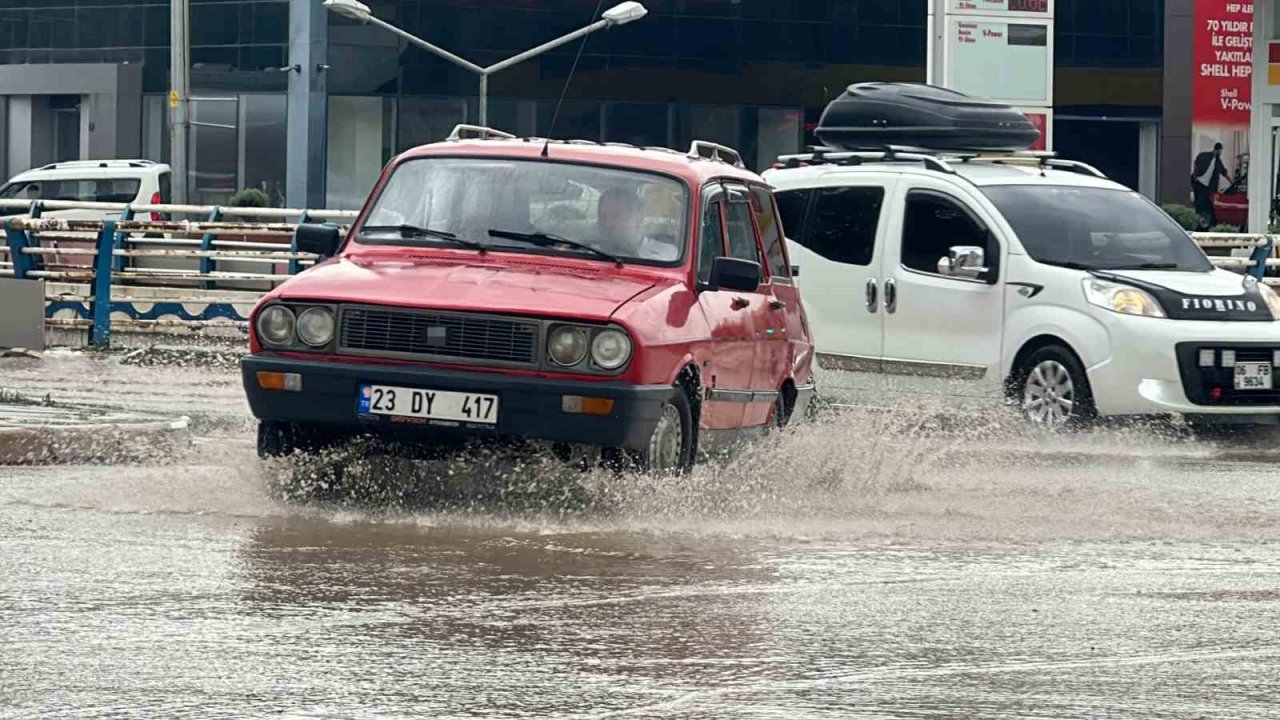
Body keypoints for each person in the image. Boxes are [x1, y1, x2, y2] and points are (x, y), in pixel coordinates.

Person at [595, 187, 678, 261]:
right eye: (603, 216)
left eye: (617, 216)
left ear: (638, 218)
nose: (608, 223)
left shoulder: (667, 255)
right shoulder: (589, 252)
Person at [1191, 142, 1232, 228]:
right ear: (1217, 150)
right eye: (1220, 151)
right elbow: (1196, 164)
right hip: (1198, 182)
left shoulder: (1218, 161)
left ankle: (1206, 221)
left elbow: (1224, 172)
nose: (1220, 153)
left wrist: (1231, 182)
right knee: (1198, 202)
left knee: (1205, 203)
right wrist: (1195, 175)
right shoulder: (1204, 156)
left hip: (1208, 187)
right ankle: (1198, 221)